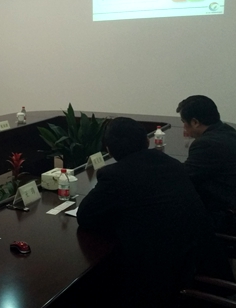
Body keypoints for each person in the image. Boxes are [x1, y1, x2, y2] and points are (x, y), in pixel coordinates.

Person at [77, 117, 211, 307]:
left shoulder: (115, 175)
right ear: (147, 141)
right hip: (197, 260)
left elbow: (85, 216)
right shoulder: (173, 163)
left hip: (156, 277)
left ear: (108, 149)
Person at [177, 95, 236, 240]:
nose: (184, 127)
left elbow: (183, 178)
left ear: (195, 122)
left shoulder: (207, 144)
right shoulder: (226, 130)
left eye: (184, 122)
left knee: (178, 215)